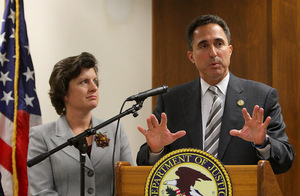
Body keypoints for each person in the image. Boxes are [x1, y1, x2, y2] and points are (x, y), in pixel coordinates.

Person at [136, 14, 294, 174]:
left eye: (219, 44)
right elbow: (144, 164)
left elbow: (285, 161)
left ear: (230, 50)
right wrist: (156, 150)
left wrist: (263, 144)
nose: (213, 53)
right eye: (204, 46)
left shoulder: (262, 96)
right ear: (191, 56)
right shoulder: (171, 101)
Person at [27, 52, 133, 195]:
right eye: (84, 81)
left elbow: (130, 184)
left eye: (95, 81)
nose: (93, 87)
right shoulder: (41, 136)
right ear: (63, 92)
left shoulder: (115, 130)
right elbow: (42, 192)